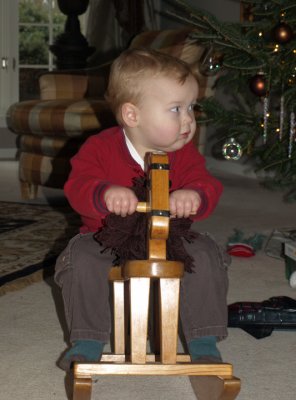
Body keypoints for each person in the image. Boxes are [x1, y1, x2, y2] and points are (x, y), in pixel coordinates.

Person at [54, 48, 230, 371]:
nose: (189, 120)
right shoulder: (100, 148)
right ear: (132, 115)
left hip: (172, 238)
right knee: (79, 258)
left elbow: (207, 184)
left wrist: (194, 195)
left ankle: (204, 341)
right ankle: (88, 340)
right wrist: (103, 193)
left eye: (191, 107)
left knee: (206, 253)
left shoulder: (185, 153)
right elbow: (77, 186)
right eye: (176, 109)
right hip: (105, 236)